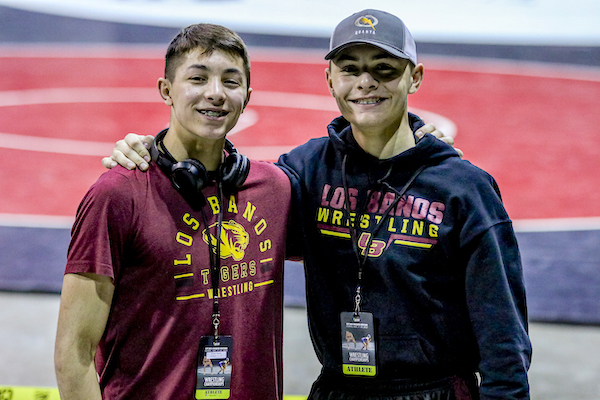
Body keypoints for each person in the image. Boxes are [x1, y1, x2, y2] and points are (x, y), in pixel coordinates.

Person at [103, 9, 531, 400]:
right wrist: (153, 152)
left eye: (384, 70)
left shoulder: (463, 188)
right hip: (337, 389)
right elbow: (231, 187)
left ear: (414, 78)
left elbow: (503, 343)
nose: (366, 82)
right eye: (350, 69)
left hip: (434, 391)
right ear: (330, 79)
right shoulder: (306, 170)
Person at [54, 23, 291, 400]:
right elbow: (74, 353)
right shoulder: (118, 194)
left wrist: (419, 141)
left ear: (247, 95)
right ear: (166, 90)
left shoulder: (274, 191)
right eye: (197, 78)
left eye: (231, 82)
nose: (215, 94)